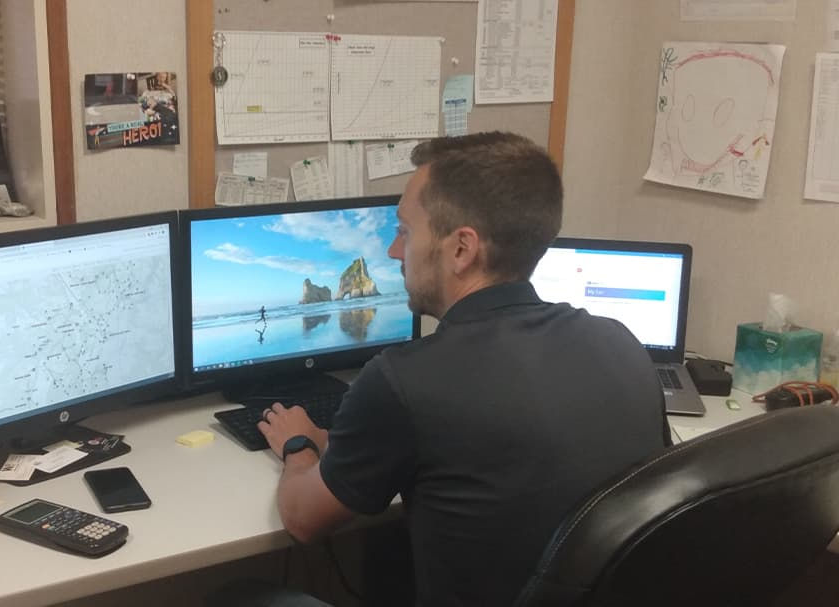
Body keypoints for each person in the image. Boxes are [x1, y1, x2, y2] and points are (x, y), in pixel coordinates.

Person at [253, 131, 672, 606]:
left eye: (405, 231)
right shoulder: (620, 343)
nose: (394, 251)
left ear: (461, 249)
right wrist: (338, 439)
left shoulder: (406, 380)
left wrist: (297, 445)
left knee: (243, 595)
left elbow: (303, 520)